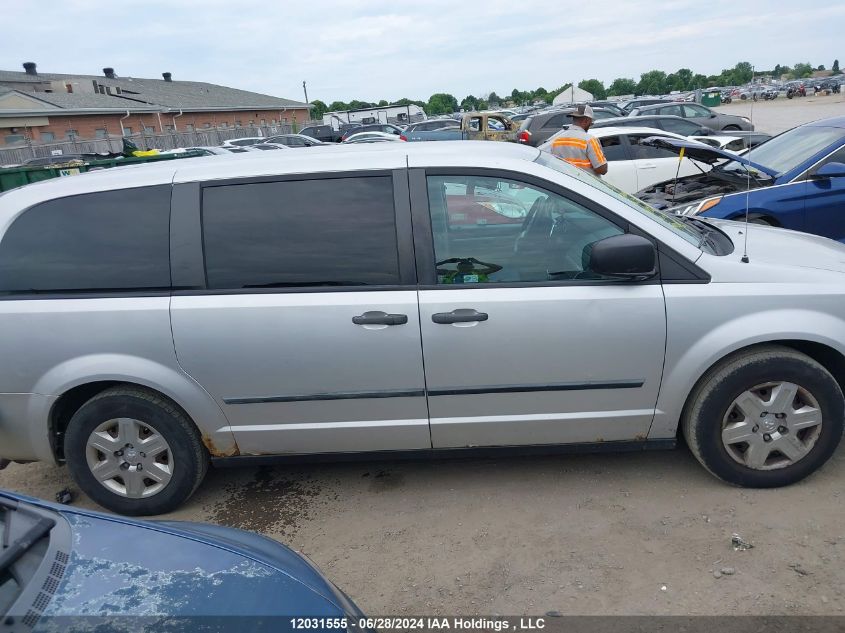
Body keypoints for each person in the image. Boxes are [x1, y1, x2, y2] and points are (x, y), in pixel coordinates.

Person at [549, 104, 608, 177]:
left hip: (565, 184)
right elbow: (602, 169)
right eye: (591, 123)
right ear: (586, 121)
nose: (590, 125)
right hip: (587, 184)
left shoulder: (557, 140)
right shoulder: (589, 140)